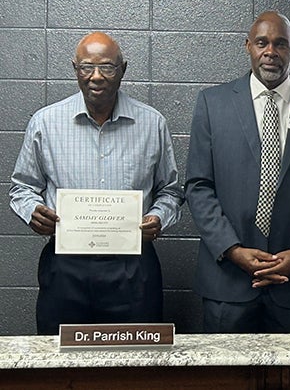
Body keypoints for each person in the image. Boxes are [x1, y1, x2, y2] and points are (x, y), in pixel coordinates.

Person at [9, 32, 183, 334]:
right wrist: (32, 210)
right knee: (59, 363)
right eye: (86, 67)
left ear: (123, 69)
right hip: (65, 268)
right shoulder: (45, 123)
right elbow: (22, 187)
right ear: (75, 69)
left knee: (135, 363)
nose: (96, 77)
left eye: (108, 67)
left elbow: (170, 191)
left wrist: (159, 217)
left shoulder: (152, 123)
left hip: (133, 269)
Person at [185, 11, 290, 333]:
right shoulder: (212, 104)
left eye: (280, 44)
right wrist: (233, 250)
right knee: (226, 379)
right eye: (262, 43)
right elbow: (198, 186)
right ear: (248, 46)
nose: (271, 51)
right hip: (227, 280)